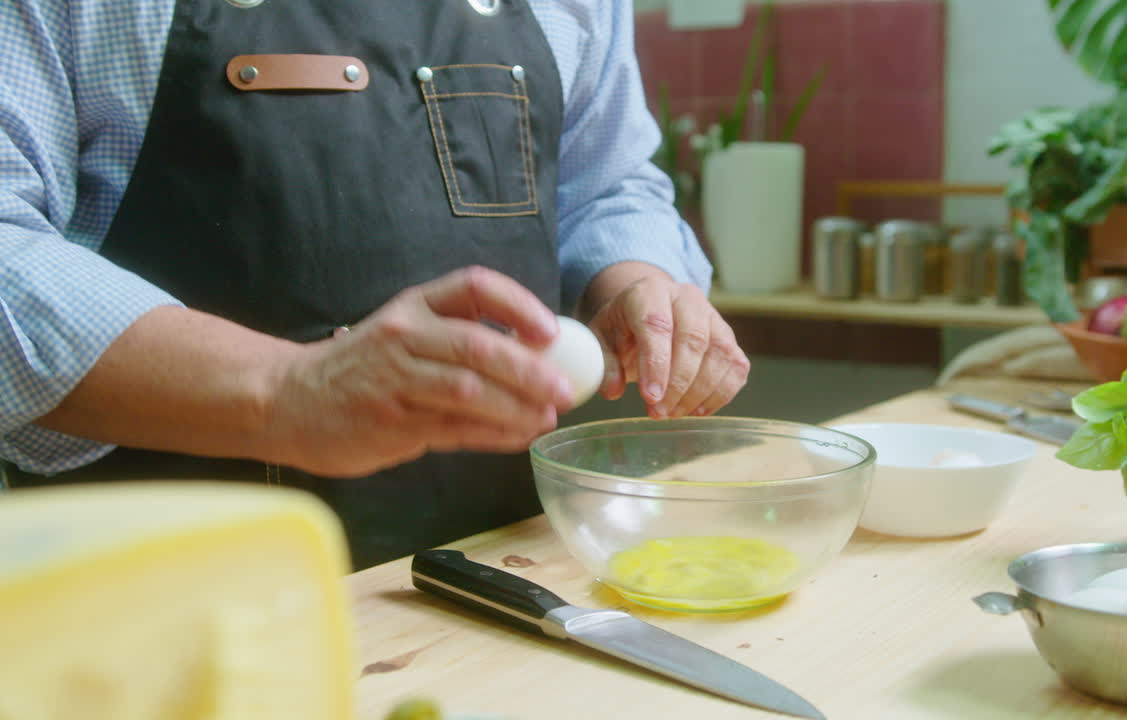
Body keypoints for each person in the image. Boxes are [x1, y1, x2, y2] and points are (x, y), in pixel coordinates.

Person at [0, 0, 750, 569]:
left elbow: (605, 181)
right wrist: (287, 389)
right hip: (174, 593)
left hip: (508, 574)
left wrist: (634, 278)